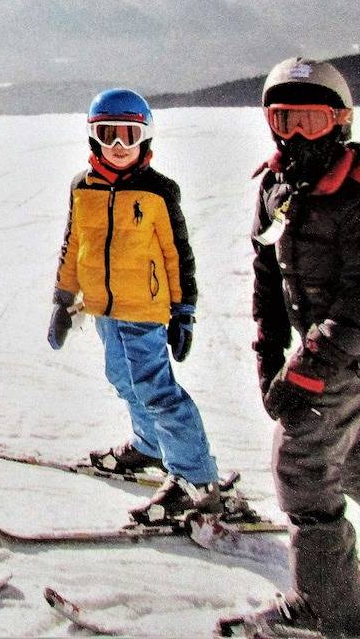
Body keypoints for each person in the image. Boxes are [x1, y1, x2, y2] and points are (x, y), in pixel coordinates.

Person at [224, 57, 360, 637]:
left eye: (310, 120)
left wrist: (307, 372)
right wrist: (269, 358)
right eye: (282, 119)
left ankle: (327, 617)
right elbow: (268, 278)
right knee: (354, 460)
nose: (294, 135)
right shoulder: (275, 187)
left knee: (303, 463)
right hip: (322, 344)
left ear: (340, 122)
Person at [48, 88, 222, 524]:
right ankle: (150, 447)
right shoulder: (82, 187)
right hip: (103, 308)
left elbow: (178, 256)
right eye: (109, 135)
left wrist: (183, 311)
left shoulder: (159, 192)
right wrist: (62, 299)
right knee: (122, 378)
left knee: (158, 392)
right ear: (93, 138)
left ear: (145, 137)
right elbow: (73, 246)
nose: (119, 146)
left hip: (143, 311)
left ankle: (195, 479)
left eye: (129, 135)